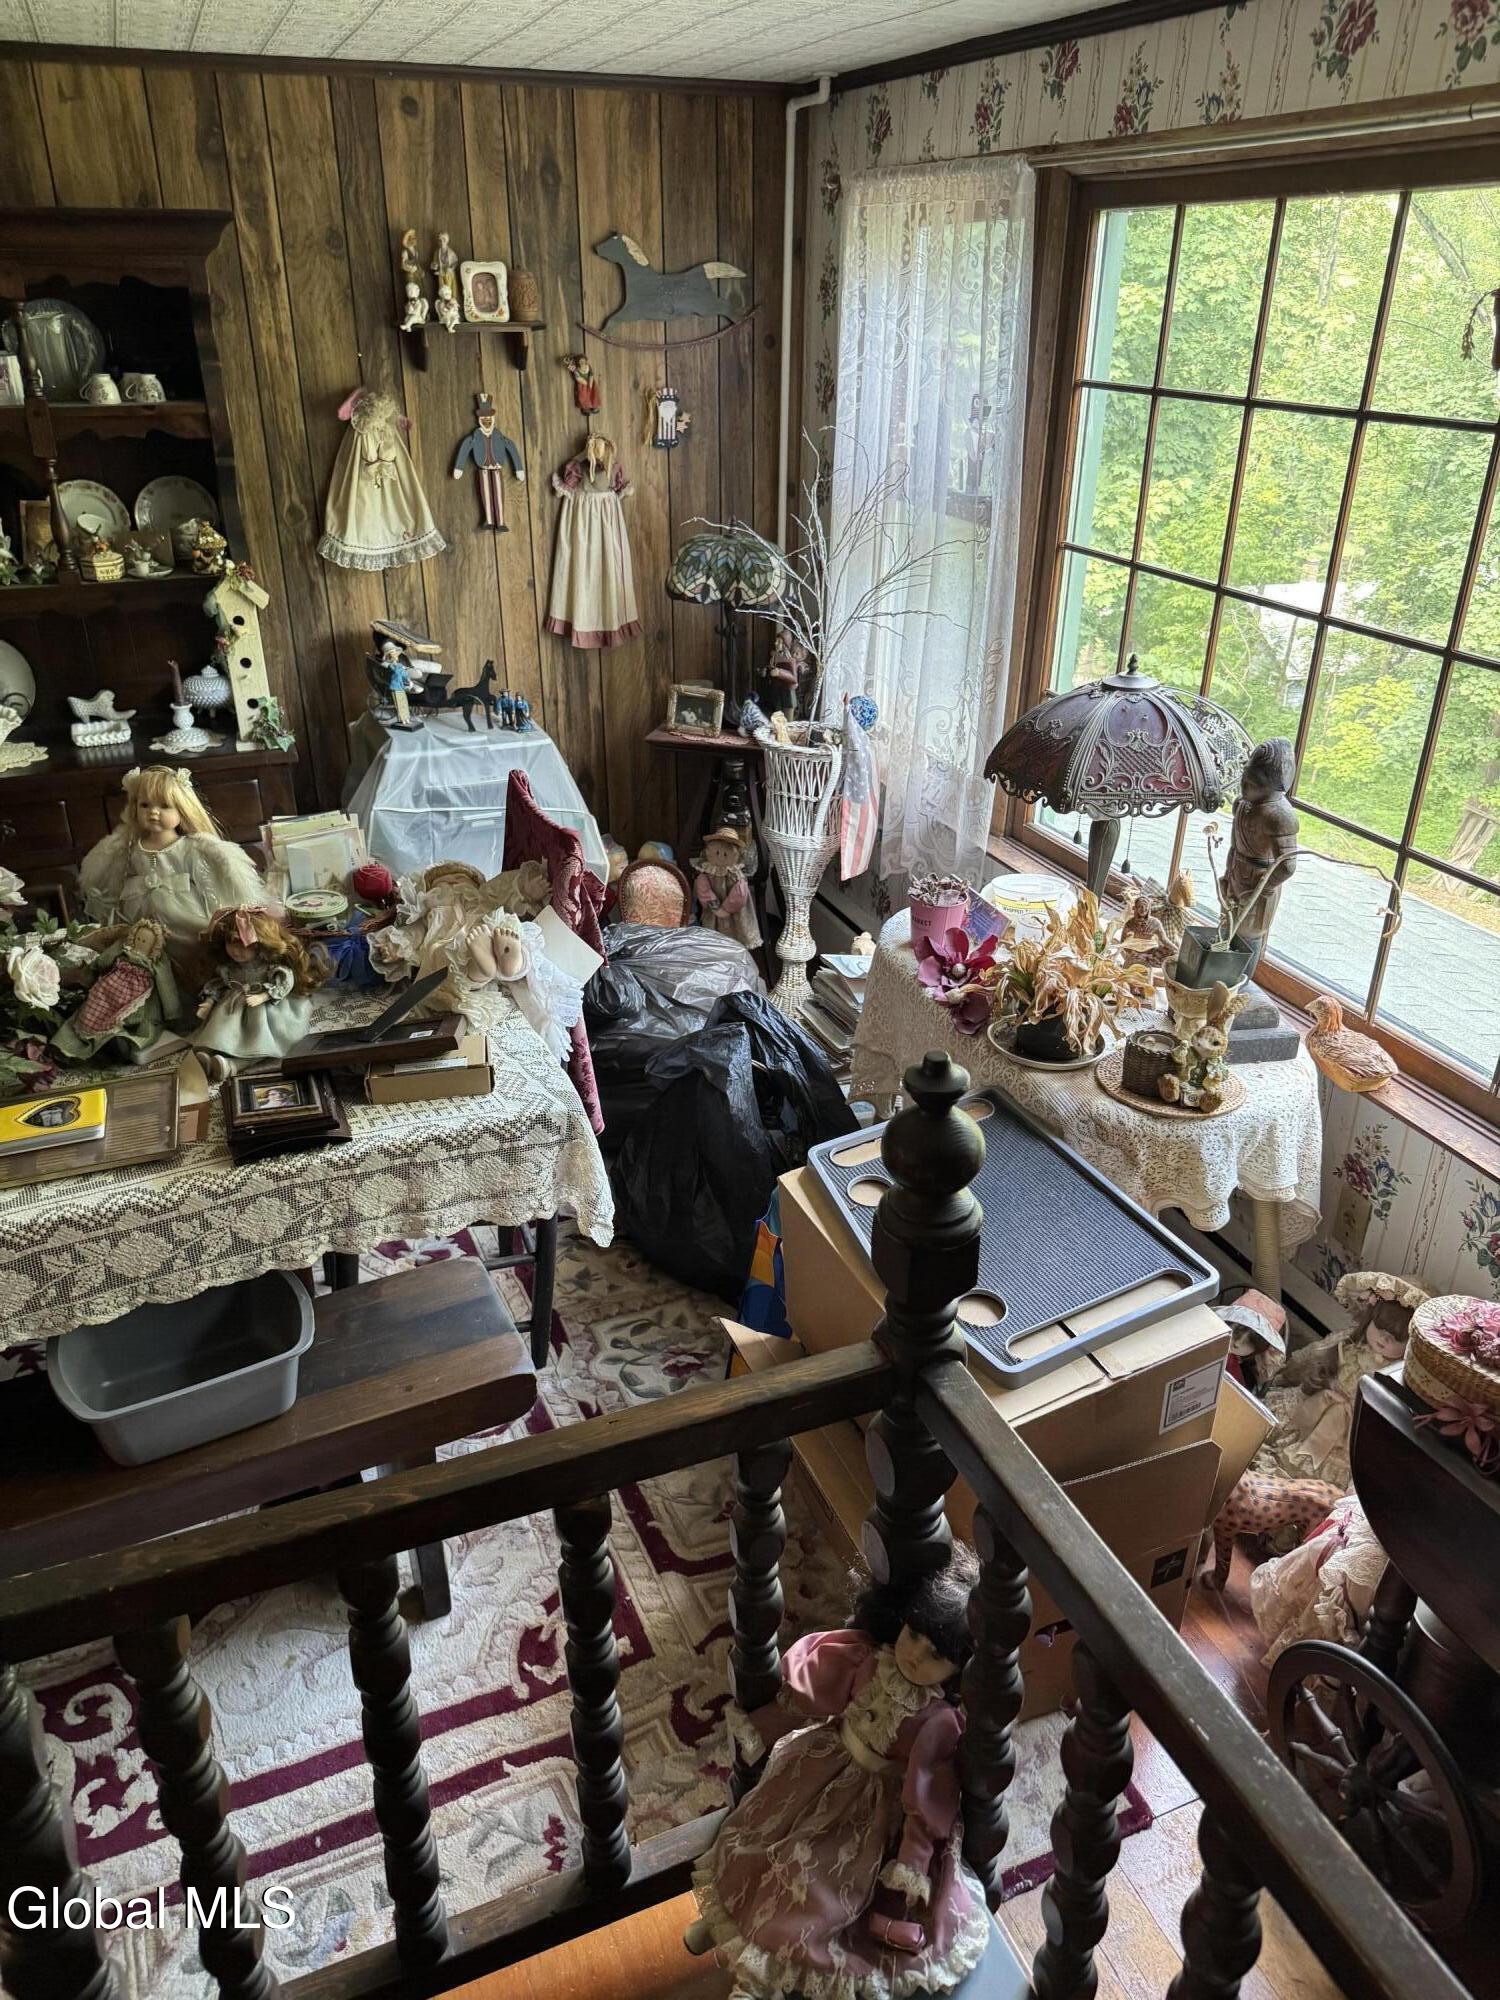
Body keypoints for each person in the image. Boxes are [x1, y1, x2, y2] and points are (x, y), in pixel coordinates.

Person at [685, 1544, 991, 1998]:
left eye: (935, 1655)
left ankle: (758, 1980)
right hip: (820, 1766)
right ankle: (722, 1924)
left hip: (870, 1811)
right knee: (758, 1842)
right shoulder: (865, 1660)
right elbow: (813, 1696)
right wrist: (764, 1726)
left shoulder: (938, 1722)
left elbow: (926, 1796)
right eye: (913, 1634)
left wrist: (911, 1864)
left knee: (812, 1886)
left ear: (957, 1669)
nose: (914, 1655)